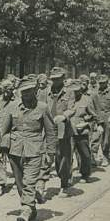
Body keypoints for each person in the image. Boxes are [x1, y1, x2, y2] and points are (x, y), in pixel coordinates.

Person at [0, 76, 56, 221]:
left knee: (29, 181)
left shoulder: (42, 107)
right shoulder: (12, 107)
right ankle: (31, 207)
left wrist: (50, 152)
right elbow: (3, 129)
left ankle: (25, 210)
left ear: (35, 91)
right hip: (15, 150)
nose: (26, 95)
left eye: (30, 91)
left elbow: (51, 131)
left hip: (34, 149)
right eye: (24, 92)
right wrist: (1, 150)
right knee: (19, 184)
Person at [38, 67, 75, 197]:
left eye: (58, 78)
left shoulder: (69, 92)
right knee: (45, 156)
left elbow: (72, 109)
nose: (55, 81)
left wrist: (64, 116)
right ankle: (41, 184)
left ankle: (64, 184)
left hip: (63, 129)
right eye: (53, 79)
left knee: (63, 158)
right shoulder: (45, 92)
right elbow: (39, 107)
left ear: (63, 78)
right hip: (47, 129)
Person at [69, 80, 97, 181]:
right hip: (69, 132)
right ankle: (68, 177)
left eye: (77, 91)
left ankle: (85, 174)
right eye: (73, 91)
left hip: (81, 132)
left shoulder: (86, 100)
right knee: (68, 155)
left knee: (85, 154)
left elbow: (93, 115)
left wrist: (86, 120)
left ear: (80, 90)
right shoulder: (67, 100)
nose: (75, 93)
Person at [0, 79, 14, 197]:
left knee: (15, 160)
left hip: (12, 134)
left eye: (10, 89)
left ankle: (18, 179)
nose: (7, 92)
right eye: (5, 89)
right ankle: (0, 184)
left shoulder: (16, 102)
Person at [96, 75, 110, 165]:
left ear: (106, 83)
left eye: (103, 83)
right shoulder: (95, 93)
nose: (101, 84)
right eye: (100, 83)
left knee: (106, 139)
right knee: (96, 138)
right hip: (97, 117)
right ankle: (93, 156)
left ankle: (105, 156)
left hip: (107, 116)